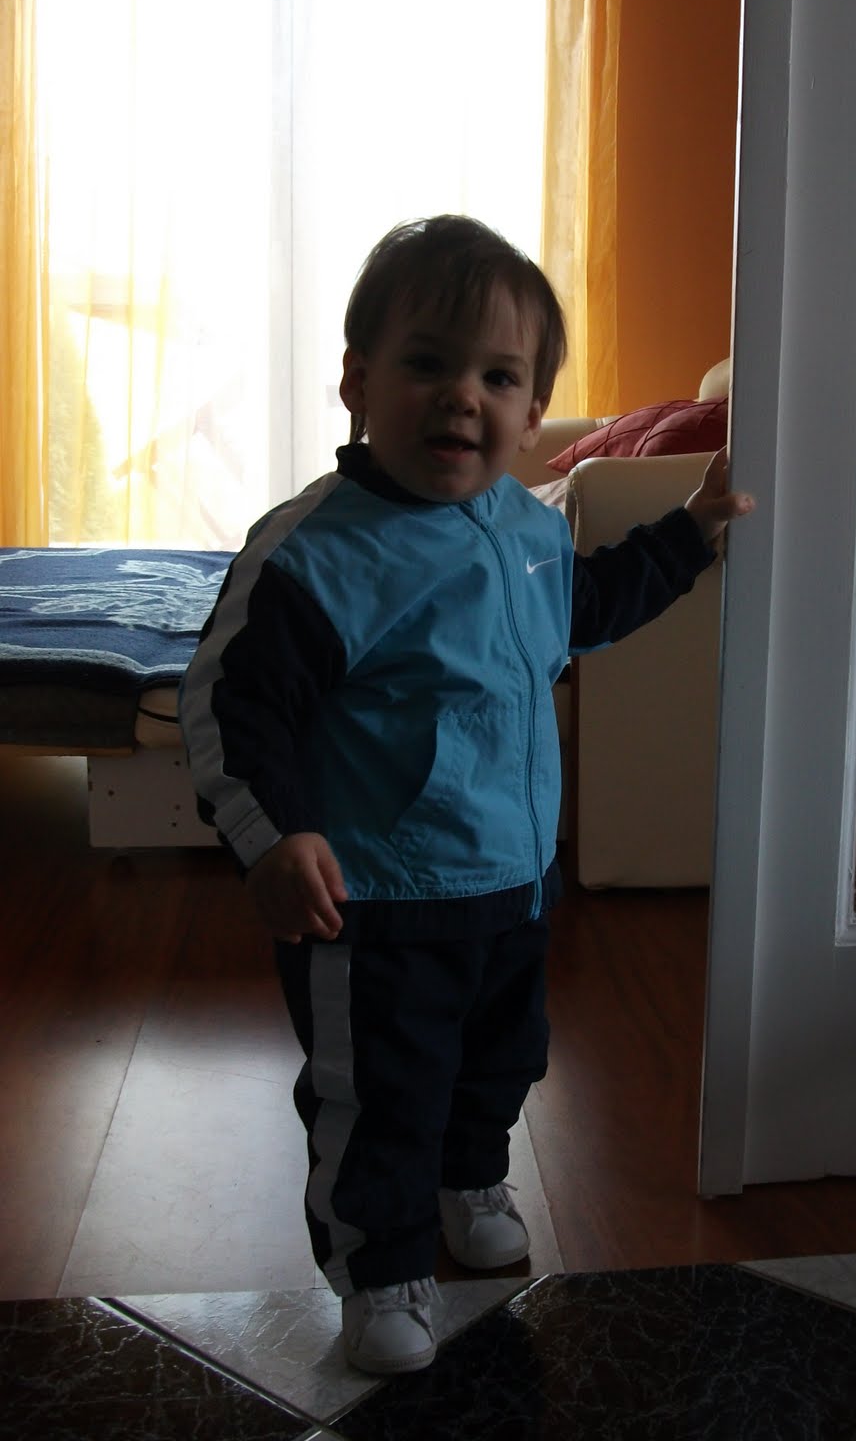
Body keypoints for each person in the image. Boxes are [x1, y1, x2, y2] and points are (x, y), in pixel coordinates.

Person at [179, 215, 753, 1377]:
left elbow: (589, 606)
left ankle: (468, 1180)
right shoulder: (315, 554)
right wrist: (272, 839)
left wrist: (692, 532)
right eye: (428, 364)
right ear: (358, 382)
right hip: (374, 904)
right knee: (379, 1093)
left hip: (512, 886)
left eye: (498, 377)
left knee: (500, 1060)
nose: (461, 397)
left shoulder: (526, 528)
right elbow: (229, 707)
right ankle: (382, 1269)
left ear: (533, 412)